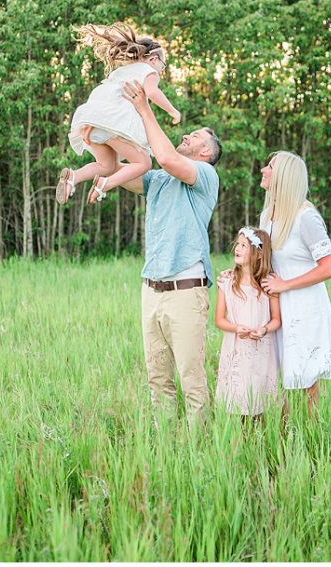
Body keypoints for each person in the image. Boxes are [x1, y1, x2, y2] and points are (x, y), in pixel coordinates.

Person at [118, 78, 222, 426]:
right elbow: (127, 171)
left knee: (192, 381)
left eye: (195, 137)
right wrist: (103, 133)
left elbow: (164, 155)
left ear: (206, 152)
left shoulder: (204, 174)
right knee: (158, 380)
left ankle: (198, 457)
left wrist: (145, 108)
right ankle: (166, 451)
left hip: (185, 291)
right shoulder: (161, 178)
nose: (187, 137)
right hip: (151, 290)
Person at [57, 23, 181, 206]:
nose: (162, 70)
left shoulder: (121, 72)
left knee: (107, 166)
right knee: (144, 164)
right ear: (154, 59)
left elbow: (102, 94)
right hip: (110, 123)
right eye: (163, 65)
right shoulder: (149, 72)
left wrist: (91, 121)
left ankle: (72, 178)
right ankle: (105, 184)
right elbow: (153, 93)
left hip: (92, 121)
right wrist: (173, 110)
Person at [258, 151, 331, 416]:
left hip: (304, 303)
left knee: (307, 378)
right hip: (276, 303)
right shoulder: (268, 215)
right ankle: (284, 434)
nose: (263, 170)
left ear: (283, 176)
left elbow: (330, 267)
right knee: (278, 371)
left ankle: (314, 436)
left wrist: (286, 285)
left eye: (270, 167)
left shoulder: (305, 216)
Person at [214, 227, 281, 418]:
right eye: (238, 244)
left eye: (244, 245)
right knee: (237, 400)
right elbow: (219, 319)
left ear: (258, 254)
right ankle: (240, 441)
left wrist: (264, 329)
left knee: (259, 400)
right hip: (236, 349)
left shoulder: (268, 285)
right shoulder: (227, 282)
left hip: (261, 350)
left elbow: (276, 319)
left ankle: (259, 440)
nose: (238, 248)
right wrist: (236, 328)